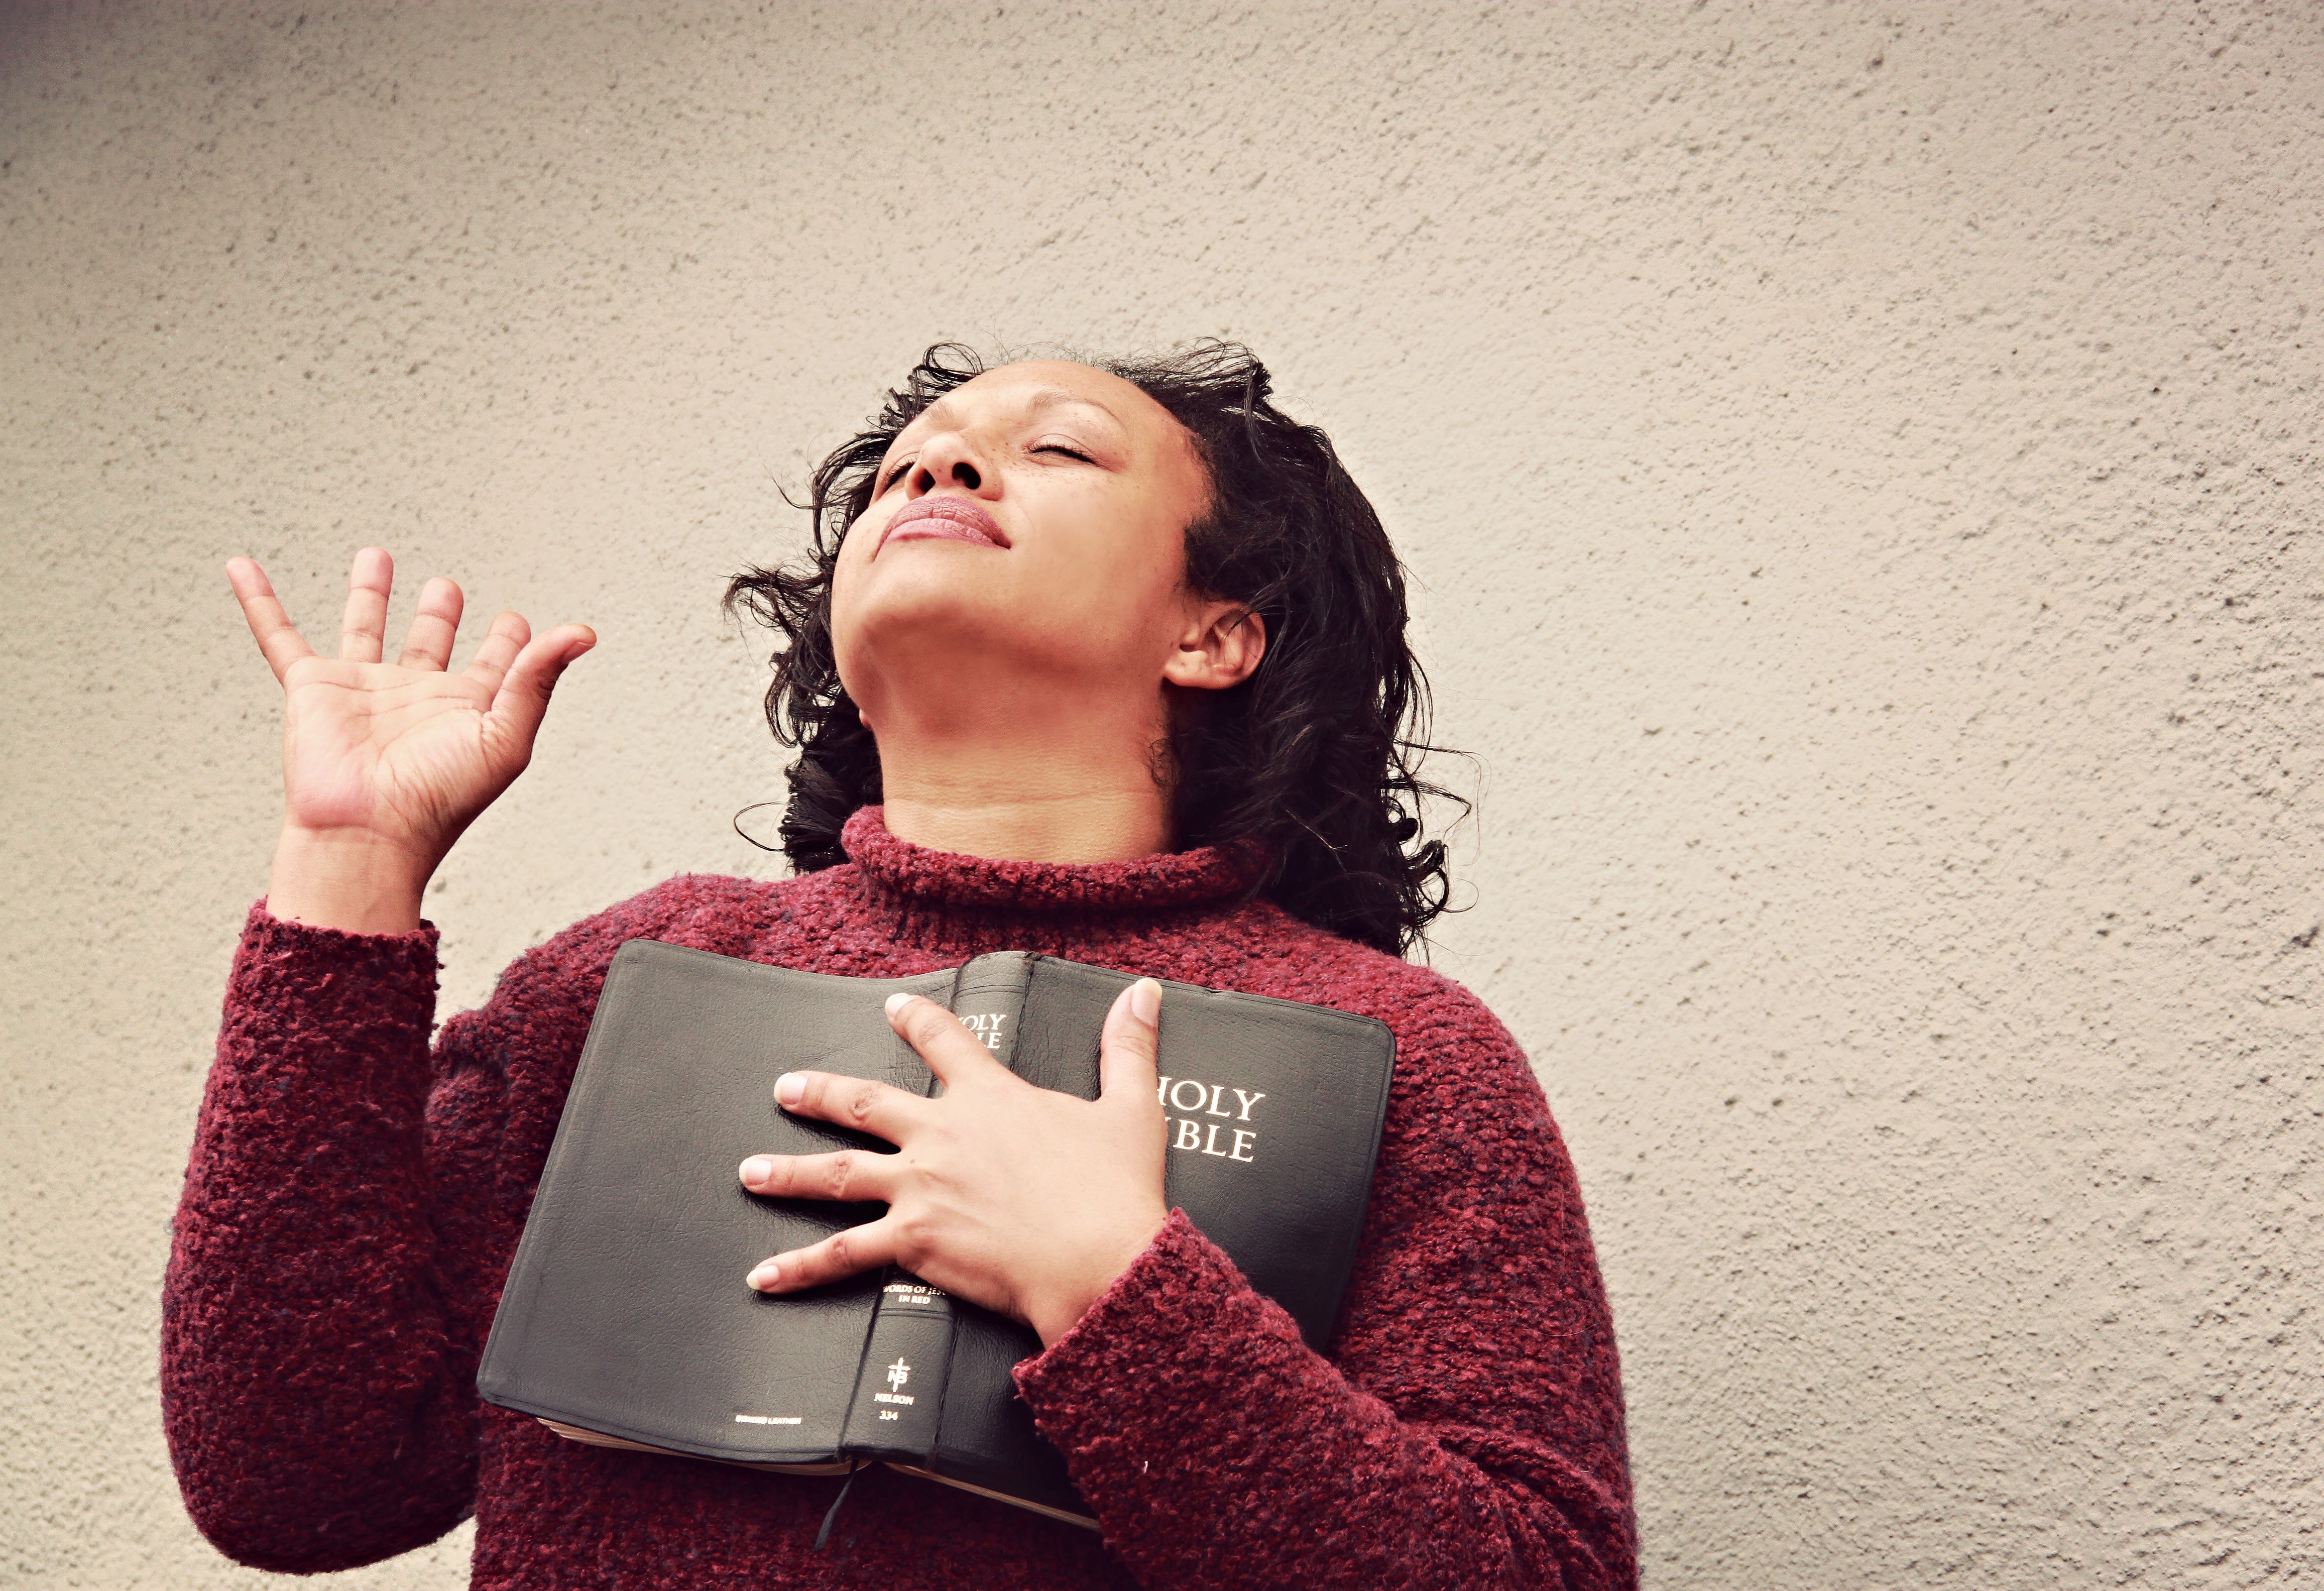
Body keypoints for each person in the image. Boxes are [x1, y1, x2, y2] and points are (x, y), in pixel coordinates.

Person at [163, 343, 1637, 1589]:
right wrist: (348, 872)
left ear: (1216, 632)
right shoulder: (629, 976)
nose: (936, 476)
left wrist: (1118, 1291)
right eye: (901, 473)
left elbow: (1541, 1567)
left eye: (1056, 449)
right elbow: (296, 1483)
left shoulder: (1405, 1051)